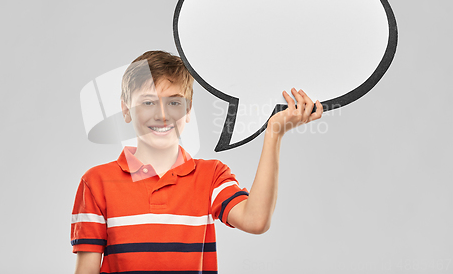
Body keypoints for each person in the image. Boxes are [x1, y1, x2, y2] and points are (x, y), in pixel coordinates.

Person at [71, 50, 323, 274]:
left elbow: (255, 221)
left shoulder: (211, 175)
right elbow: (87, 269)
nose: (162, 114)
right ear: (126, 109)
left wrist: (274, 133)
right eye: (148, 102)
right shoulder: (96, 182)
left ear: (188, 110)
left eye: (174, 102)